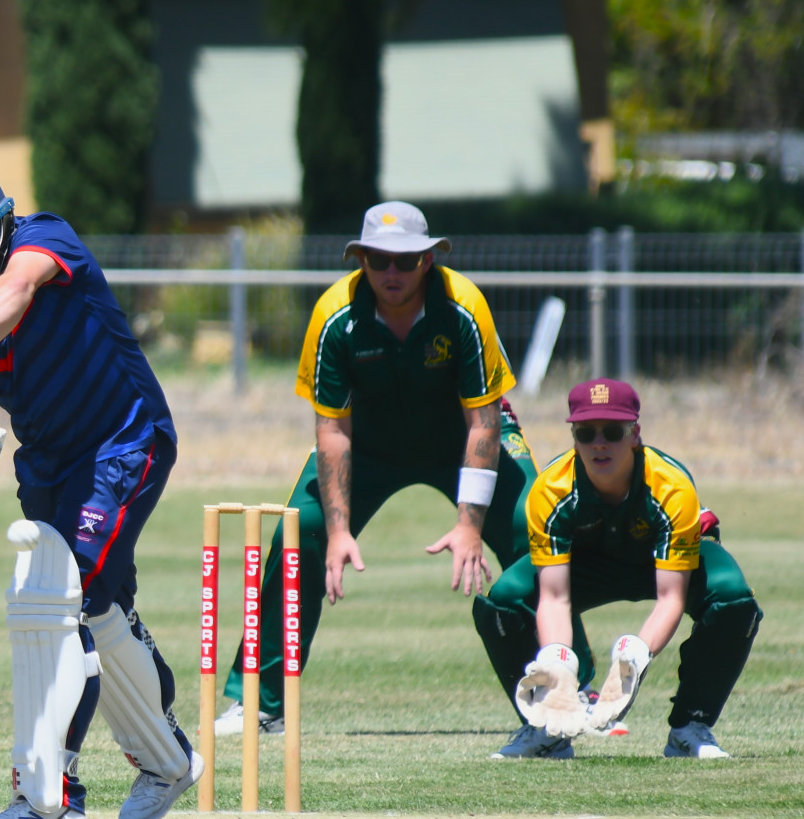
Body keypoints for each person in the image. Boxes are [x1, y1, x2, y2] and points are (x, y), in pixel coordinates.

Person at [211, 201, 582, 756]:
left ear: (429, 259)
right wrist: (336, 532)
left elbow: (483, 422)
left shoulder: (463, 306)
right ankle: (261, 702)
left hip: (462, 437)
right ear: (360, 259)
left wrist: (469, 523)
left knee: (535, 526)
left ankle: (577, 688)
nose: (391, 272)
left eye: (405, 261)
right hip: (370, 445)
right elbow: (333, 432)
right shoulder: (335, 314)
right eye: (377, 259)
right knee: (300, 528)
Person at [0, 164, 195, 819]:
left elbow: (16, 286)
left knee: (52, 596)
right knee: (98, 606)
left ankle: (45, 796)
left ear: (2, 228)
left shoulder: (47, 240)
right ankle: (167, 759)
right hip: (47, 463)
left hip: (124, 441)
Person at [474, 378, 759, 759]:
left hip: (666, 565)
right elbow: (555, 597)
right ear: (573, 436)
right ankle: (546, 728)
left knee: (732, 596)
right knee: (505, 599)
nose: (599, 443)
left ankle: (690, 728)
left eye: (613, 431)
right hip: (589, 565)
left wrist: (635, 656)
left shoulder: (672, 485)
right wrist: (557, 664)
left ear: (635, 434)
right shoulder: (550, 490)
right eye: (586, 432)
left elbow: (670, 597)